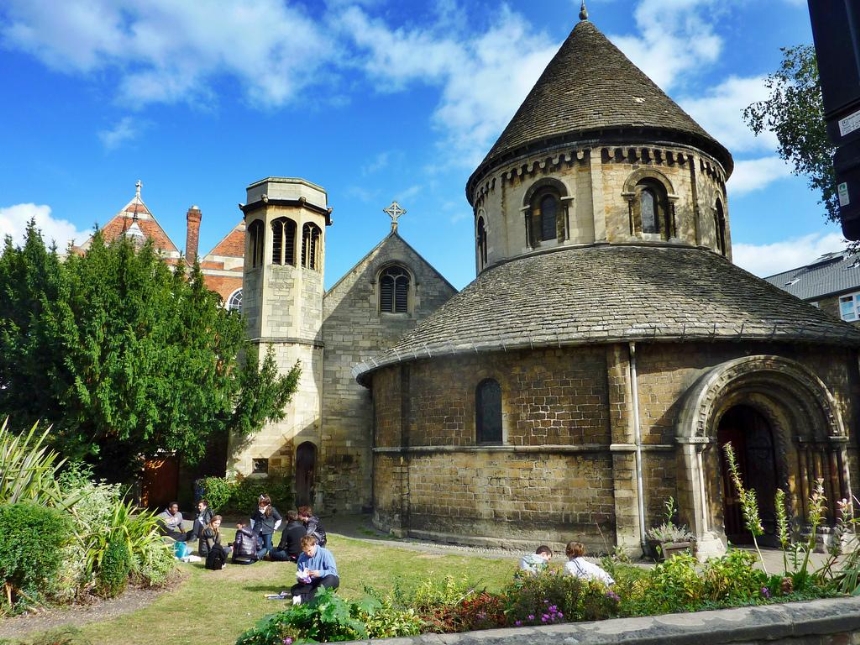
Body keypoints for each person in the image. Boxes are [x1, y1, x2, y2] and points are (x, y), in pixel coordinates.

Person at [290, 535, 339, 605]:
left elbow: (333, 572)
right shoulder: (302, 557)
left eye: (309, 550)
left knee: (331, 579)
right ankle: (318, 595)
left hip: (326, 580)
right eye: (305, 552)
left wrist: (320, 573)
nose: (308, 553)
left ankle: (304, 599)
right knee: (294, 589)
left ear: (314, 545)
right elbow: (300, 573)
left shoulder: (325, 553)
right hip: (312, 582)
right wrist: (301, 579)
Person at [250, 494, 282, 559]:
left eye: (262, 503)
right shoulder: (257, 509)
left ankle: (259, 555)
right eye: (260, 503)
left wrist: (275, 528)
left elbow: (279, 519)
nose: (260, 504)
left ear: (266, 503)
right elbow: (252, 519)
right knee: (257, 545)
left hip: (268, 530)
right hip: (257, 530)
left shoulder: (272, 509)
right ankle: (260, 555)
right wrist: (253, 528)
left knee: (266, 547)